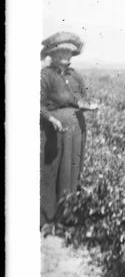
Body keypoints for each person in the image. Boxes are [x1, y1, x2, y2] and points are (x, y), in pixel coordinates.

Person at [40, 31, 96, 223]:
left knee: (73, 168)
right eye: (61, 52)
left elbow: (81, 99)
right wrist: (51, 119)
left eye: (69, 53)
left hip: (77, 128)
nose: (66, 56)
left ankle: (67, 212)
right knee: (53, 168)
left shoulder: (76, 75)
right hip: (54, 130)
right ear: (52, 54)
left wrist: (88, 106)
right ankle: (47, 214)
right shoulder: (45, 76)